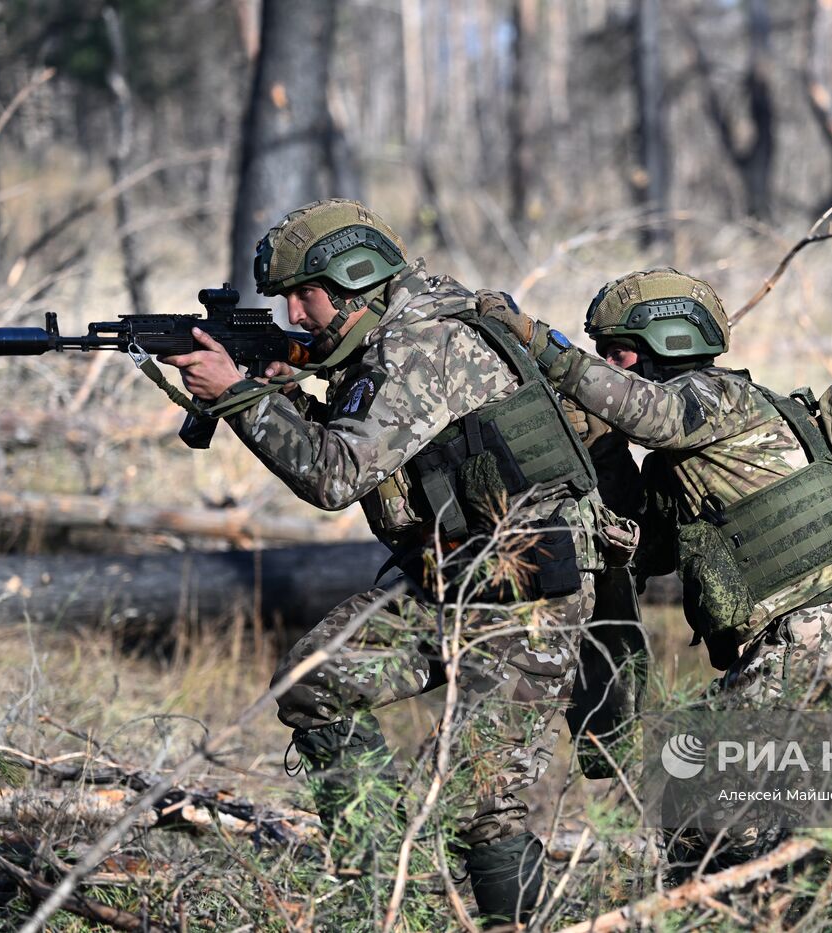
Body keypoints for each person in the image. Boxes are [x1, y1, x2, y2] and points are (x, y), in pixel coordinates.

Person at [161, 198, 612, 924]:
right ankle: (377, 892)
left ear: (354, 280)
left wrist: (243, 398)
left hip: (526, 591)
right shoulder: (382, 343)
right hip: (451, 575)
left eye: (302, 297)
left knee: (483, 806)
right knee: (316, 682)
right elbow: (364, 449)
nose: (296, 317)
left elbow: (336, 475)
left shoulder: (424, 343)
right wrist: (274, 392)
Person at [479, 268, 832, 709]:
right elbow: (646, 552)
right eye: (602, 357)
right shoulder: (683, 461)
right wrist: (602, 449)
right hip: (802, 638)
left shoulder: (720, 396)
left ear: (667, 342)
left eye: (617, 355)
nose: (608, 369)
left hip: (820, 633)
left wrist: (542, 345)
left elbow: (654, 416)